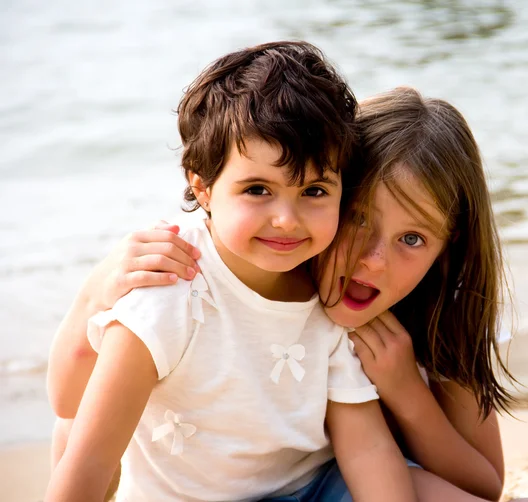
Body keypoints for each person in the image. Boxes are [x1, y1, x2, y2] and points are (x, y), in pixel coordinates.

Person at [47, 85, 528, 502]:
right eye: (358, 218)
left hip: (333, 479)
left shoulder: (443, 315)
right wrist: (96, 294)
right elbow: (69, 407)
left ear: (448, 250)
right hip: (189, 475)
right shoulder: (251, 274)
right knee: (77, 432)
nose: (373, 260)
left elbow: (485, 485)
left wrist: (404, 388)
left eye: (413, 238)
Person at [45, 41, 416, 502]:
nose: (287, 219)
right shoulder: (169, 287)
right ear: (202, 187)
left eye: (315, 191)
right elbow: (91, 456)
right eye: (258, 189)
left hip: (312, 487)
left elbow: (366, 447)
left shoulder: (326, 280)